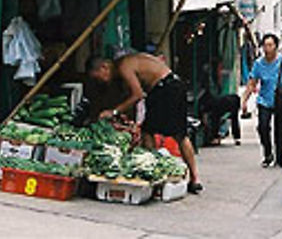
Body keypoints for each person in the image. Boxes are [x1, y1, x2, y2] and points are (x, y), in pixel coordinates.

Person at [86, 53, 202, 194]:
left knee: (148, 132)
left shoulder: (124, 66)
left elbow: (137, 94)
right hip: (174, 85)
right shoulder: (129, 63)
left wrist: (114, 112)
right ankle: (195, 179)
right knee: (180, 134)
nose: (102, 81)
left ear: (104, 67)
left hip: (163, 88)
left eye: (99, 76)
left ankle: (152, 171)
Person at [242, 33, 282, 167]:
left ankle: (279, 158)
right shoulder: (259, 63)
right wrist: (244, 100)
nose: (267, 48)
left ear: (276, 46)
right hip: (264, 100)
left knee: (280, 130)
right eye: (265, 45)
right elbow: (252, 82)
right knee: (263, 127)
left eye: (270, 45)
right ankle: (268, 153)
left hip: (281, 100)